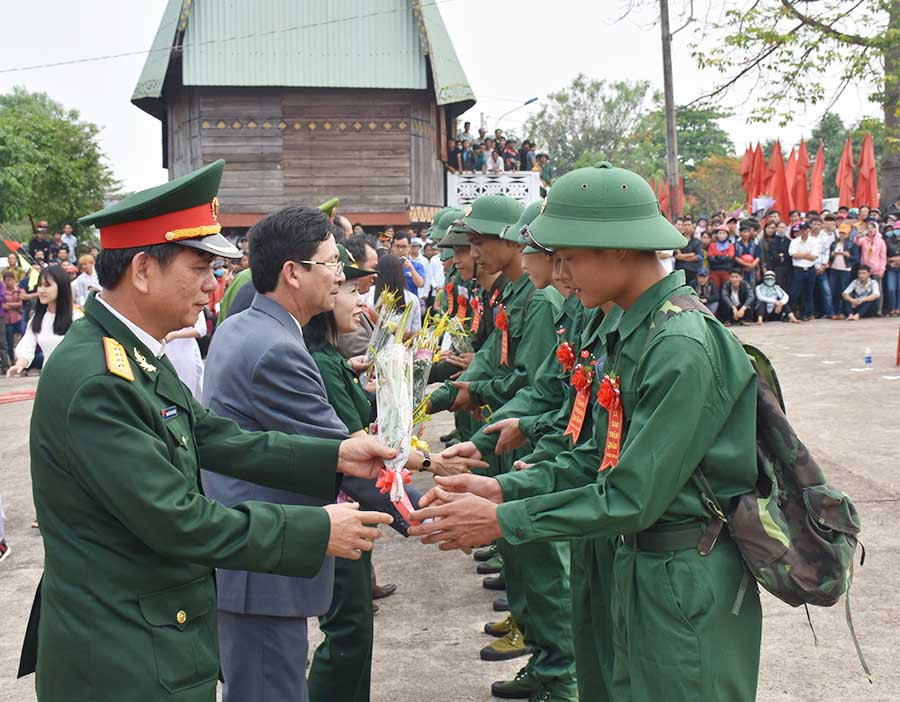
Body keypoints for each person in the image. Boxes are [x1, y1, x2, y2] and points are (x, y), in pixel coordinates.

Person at [17, 160, 396, 702]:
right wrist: (313, 530)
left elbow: (218, 437)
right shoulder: (98, 378)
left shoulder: (138, 355)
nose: (215, 283)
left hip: (155, 632)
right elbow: (176, 519)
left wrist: (335, 454)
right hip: (122, 653)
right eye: (200, 267)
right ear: (144, 270)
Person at [412, 163, 762, 702]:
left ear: (619, 247)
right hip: (631, 558)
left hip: (680, 576)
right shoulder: (630, 331)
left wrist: (502, 518)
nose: (560, 274)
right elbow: (596, 455)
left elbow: (632, 493)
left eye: (568, 257)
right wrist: (503, 488)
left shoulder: (680, 346)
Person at [305, 245, 484, 702]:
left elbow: (366, 409)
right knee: (346, 632)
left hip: (350, 509)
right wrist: (415, 512)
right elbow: (351, 449)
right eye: (349, 290)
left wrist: (427, 381)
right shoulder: (319, 361)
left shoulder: (329, 358)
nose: (360, 302)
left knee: (355, 630)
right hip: (341, 507)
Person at [426, 195, 578, 701]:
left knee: (544, 566)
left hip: (542, 444)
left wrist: (479, 407)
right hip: (520, 433)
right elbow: (499, 366)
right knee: (522, 556)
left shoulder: (544, 301)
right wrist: (448, 391)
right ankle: (545, 658)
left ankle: (561, 675)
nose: (470, 255)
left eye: (477, 242)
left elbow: (542, 384)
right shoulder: (517, 296)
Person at [6, 265, 80, 377]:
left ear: (61, 287)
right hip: (48, 379)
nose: (41, 290)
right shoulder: (37, 319)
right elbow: (27, 346)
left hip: (73, 377)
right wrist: (19, 365)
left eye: (47, 285)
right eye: (40, 285)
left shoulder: (77, 318)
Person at [364, 254, 422, 335]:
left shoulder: (367, 295)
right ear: (400, 273)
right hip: (401, 346)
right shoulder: (412, 299)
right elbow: (416, 330)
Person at [164, 310, 206, 399]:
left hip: (186, 353)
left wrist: (174, 335)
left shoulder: (193, 300)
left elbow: (201, 330)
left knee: (188, 387)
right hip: (166, 350)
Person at [788, 221, 818, 320]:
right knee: (794, 293)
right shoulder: (794, 241)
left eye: (806, 229)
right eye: (802, 229)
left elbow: (813, 257)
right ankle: (792, 314)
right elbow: (794, 255)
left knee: (808, 293)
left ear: (809, 230)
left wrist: (801, 255)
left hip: (810, 269)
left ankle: (807, 314)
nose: (804, 231)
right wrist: (806, 254)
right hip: (798, 270)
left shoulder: (814, 241)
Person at [828, 224, 859, 319]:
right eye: (841, 233)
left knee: (844, 291)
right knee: (833, 290)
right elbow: (828, 256)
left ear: (848, 234)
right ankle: (834, 311)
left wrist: (848, 255)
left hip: (845, 270)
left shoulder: (852, 245)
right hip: (834, 269)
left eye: (844, 233)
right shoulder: (834, 243)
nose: (842, 235)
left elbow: (856, 258)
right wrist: (832, 254)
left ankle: (846, 311)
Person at [857, 220, 886, 315]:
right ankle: (866, 311)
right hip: (865, 269)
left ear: (876, 229)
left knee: (877, 291)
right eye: (868, 228)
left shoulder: (881, 241)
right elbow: (857, 242)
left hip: (876, 269)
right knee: (865, 290)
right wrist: (859, 235)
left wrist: (882, 269)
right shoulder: (864, 239)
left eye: (873, 227)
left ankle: (878, 310)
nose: (871, 230)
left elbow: (883, 257)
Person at [2, 270, 24, 365]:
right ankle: (11, 361)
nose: (9, 282)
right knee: (9, 342)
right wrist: (14, 305)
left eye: (11, 280)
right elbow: (3, 306)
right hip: (7, 319)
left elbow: (20, 304)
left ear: (14, 280)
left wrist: (9, 305)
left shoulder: (19, 290)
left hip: (18, 318)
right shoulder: (2, 292)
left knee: (20, 341)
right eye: (7, 280)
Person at [673, 218, 702, 285]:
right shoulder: (678, 240)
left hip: (693, 271)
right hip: (680, 270)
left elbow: (698, 257)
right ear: (682, 227)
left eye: (689, 225)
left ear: (693, 227)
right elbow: (676, 256)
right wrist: (691, 254)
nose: (687, 227)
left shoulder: (697, 242)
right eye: (685, 225)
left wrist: (683, 257)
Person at [707, 225, 735, 290]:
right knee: (715, 289)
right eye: (720, 233)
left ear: (727, 235)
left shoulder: (730, 245)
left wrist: (716, 257)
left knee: (726, 289)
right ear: (716, 235)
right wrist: (724, 256)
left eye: (724, 233)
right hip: (714, 271)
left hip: (726, 271)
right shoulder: (712, 245)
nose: (722, 235)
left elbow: (730, 257)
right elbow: (711, 259)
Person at [884, 224, 900, 316]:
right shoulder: (888, 240)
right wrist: (890, 262)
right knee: (891, 288)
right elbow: (883, 254)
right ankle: (892, 308)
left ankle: (898, 308)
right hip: (891, 267)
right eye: (897, 228)